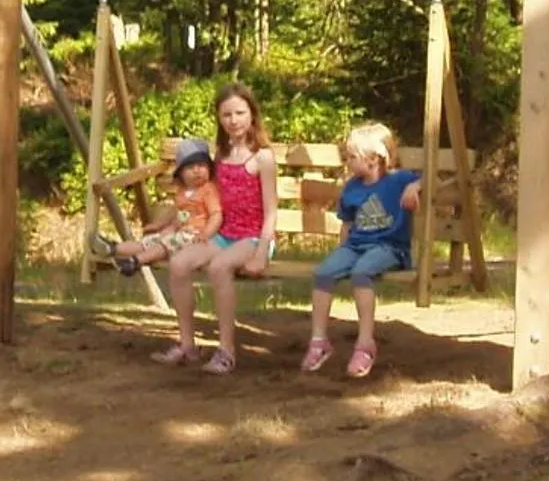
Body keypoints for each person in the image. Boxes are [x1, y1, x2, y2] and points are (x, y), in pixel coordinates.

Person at [160, 82, 277, 375]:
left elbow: (272, 211)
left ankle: (226, 351)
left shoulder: (262, 157)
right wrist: (175, 226)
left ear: (252, 114)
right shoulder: (220, 156)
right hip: (224, 234)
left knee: (219, 267)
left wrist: (261, 253)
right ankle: (187, 344)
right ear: (219, 118)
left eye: (240, 113)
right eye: (227, 115)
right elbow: (200, 199)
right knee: (178, 264)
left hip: (253, 237)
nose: (233, 120)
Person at [300, 122, 421, 379]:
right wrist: (341, 254)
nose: (348, 162)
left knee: (361, 272)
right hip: (356, 245)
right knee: (323, 272)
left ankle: (365, 343)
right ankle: (319, 341)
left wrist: (416, 187)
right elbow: (347, 224)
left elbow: (433, 180)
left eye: (352, 157)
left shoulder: (399, 180)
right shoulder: (352, 187)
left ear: (373, 158)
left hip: (390, 246)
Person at [110, 138, 222, 276]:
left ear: (210, 169)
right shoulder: (182, 192)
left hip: (195, 237)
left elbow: (216, 215)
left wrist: (206, 234)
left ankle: (135, 261)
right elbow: (174, 212)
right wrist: (158, 225)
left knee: (164, 244)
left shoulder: (208, 190)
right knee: (149, 241)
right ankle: (113, 248)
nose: (196, 170)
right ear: (181, 174)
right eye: (190, 167)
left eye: (201, 165)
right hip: (178, 234)